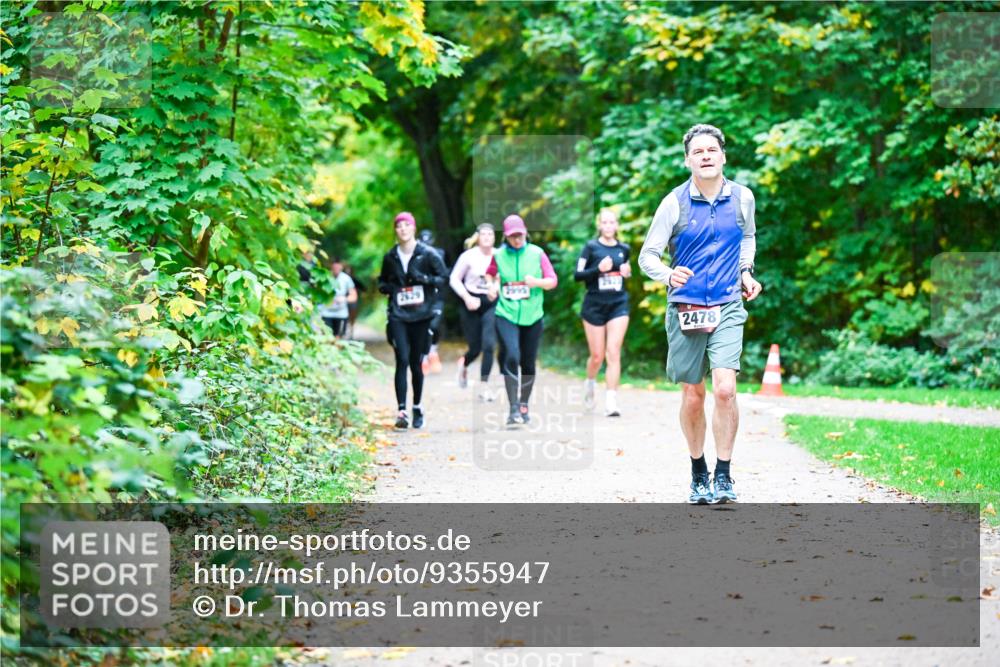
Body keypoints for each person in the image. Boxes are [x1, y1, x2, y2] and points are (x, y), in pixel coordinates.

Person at [637, 123, 762, 505]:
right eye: (698, 152)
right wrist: (668, 274)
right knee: (693, 394)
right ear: (688, 160)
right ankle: (698, 472)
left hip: (726, 304)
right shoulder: (674, 202)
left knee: (725, 389)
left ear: (723, 155)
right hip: (686, 307)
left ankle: (723, 475)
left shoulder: (742, 198)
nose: (706, 156)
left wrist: (746, 271)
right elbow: (647, 257)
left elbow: (748, 237)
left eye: (712, 150)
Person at [378, 212, 449, 429]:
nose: (403, 229)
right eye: (399, 226)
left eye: (407, 225)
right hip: (398, 315)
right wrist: (389, 288)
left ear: (414, 228)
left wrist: (425, 279)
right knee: (402, 359)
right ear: (395, 230)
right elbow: (382, 282)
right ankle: (402, 410)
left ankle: (417, 406)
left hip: (422, 314)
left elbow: (444, 277)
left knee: (417, 363)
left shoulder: (427, 254)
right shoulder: (390, 257)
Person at [485, 214, 558, 426]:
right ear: (506, 237)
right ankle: (513, 408)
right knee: (512, 356)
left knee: (528, 362)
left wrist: (536, 282)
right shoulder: (498, 255)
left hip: (533, 314)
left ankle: (524, 403)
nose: (516, 240)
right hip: (506, 313)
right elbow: (490, 274)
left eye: (519, 235)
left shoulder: (537, 253)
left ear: (526, 232)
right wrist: (491, 285)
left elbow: (552, 281)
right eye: (512, 236)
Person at [574, 208, 632, 417]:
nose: (608, 226)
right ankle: (589, 383)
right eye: (604, 222)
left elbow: (625, 271)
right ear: (599, 225)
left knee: (613, 351)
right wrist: (598, 269)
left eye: (612, 222)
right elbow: (577, 275)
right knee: (597, 356)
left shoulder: (624, 249)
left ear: (616, 225)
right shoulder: (590, 247)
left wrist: (627, 272)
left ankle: (611, 402)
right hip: (594, 305)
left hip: (618, 304)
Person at [450, 223, 498, 398]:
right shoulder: (468, 256)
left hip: (491, 303)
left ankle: (484, 385)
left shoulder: (499, 255)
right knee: (475, 348)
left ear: (494, 238)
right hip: (470, 303)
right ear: (478, 237)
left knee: (489, 345)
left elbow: (507, 276)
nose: (486, 237)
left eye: (490, 234)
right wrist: (466, 297)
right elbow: (454, 278)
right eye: (483, 234)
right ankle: (464, 364)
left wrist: (497, 288)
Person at [418, 229, 447, 374]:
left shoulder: (439, 254)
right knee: (423, 327)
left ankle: (433, 352)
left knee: (434, 325)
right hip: (421, 298)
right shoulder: (415, 256)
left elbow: (444, 275)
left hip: (436, 297)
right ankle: (424, 358)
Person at [318, 257, 357, 338]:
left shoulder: (346, 279)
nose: (336, 269)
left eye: (338, 267)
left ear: (341, 267)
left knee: (338, 339)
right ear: (331, 266)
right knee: (326, 338)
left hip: (341, 314)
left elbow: (354, 296)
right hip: (326, 313)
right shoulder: (325, 277)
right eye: (334, 267)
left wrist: (344, 299)